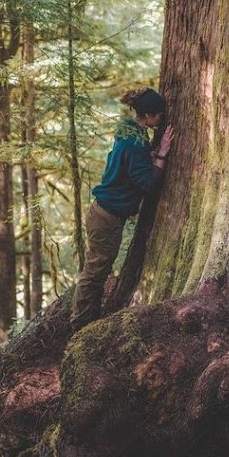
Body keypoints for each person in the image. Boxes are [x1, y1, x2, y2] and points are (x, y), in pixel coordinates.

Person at [70, 87, 174, 331]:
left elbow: (131, 164)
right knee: (95, 271)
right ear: (147, 116)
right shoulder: (135, 143)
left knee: (97, 269)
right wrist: (161, 156)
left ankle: (87, 317)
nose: (161, 119)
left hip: (103, 213)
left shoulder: (128, 131)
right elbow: (149, 184)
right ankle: (80, 324)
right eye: (158, 115)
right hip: (106, 217)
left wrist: (152, 152)